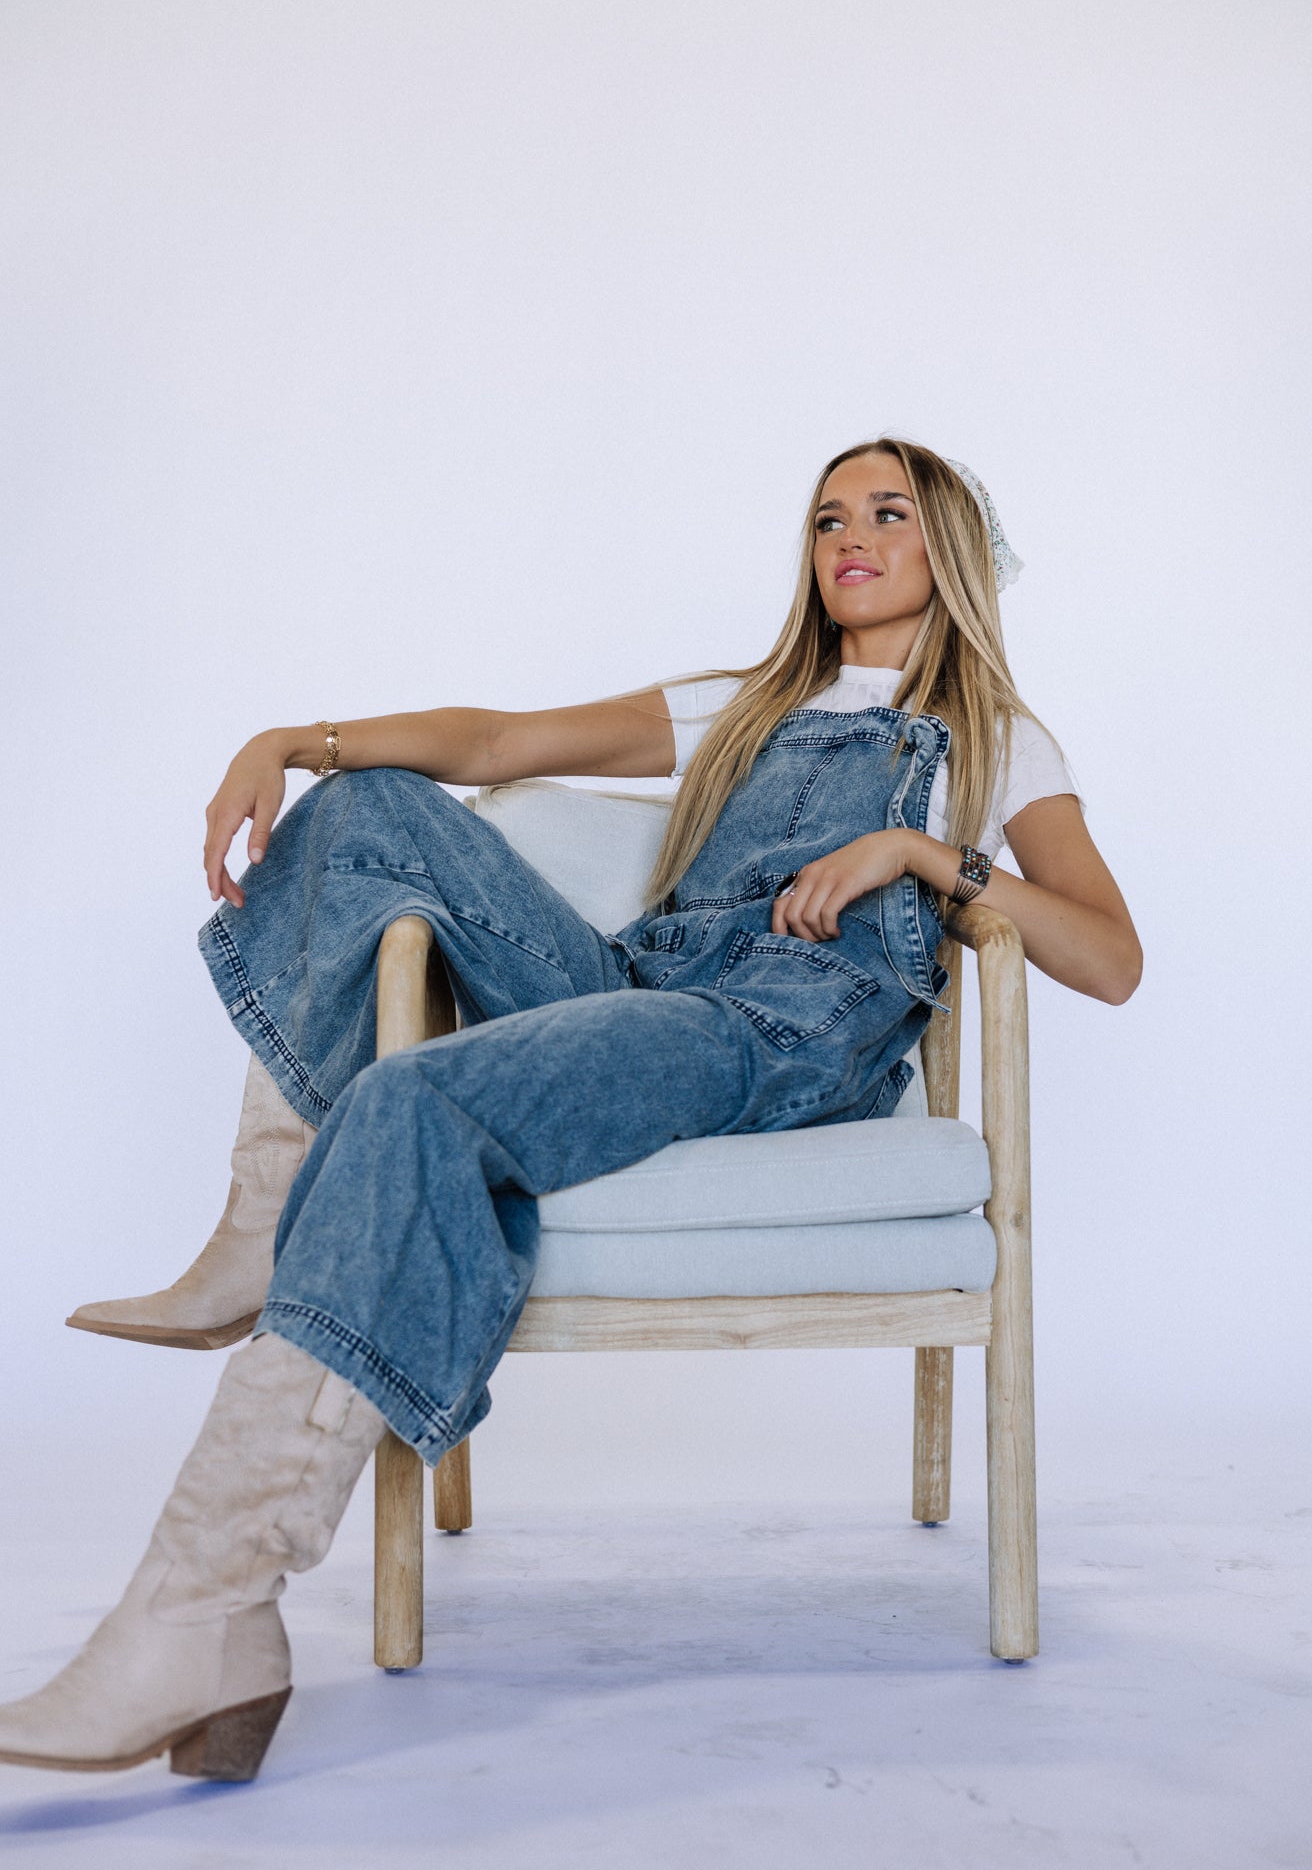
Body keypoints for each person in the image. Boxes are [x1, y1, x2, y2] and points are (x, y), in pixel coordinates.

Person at [0, 438, 1141, 1780]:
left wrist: (924, 855)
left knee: (415, 1098)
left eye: (887, 514)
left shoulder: (999, 739)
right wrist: (291, 741)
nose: (850, 539)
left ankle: (201, 1620)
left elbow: (1109, 959)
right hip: (642, 985)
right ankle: (269, 1220)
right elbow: (498, 743)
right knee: (369, 807)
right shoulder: (746, 703)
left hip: (770, 1032)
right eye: (828, 518)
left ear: (949, 544)